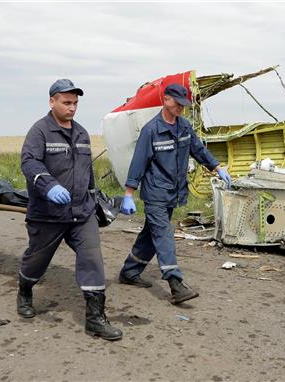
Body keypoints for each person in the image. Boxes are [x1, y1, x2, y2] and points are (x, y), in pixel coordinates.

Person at [17, 79, 122, 341]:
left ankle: (95, 318)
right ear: (52, 101)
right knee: (36, 260)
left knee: (92, 257)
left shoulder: (82, 134)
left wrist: (97, 200)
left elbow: (88, 173)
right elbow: (29, 163)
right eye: (66, 102)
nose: (72, 107)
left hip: (81, 213)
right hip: (48, 213)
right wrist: (48, 185)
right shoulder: (39, 131)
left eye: (75, 103)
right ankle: (25, 289)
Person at [118, 83, 232, 304]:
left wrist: (217, 167)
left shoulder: (184, 127)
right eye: (178, 103)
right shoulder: (151, 130)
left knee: (151, 235)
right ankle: (175, 284)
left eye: (184, 105)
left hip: (173, 193)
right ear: (166, 100)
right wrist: (129, 193)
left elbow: (198, 149)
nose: (181, 108)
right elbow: (138, 163)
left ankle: (129, 272)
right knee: (164, 235)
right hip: (155, 194)